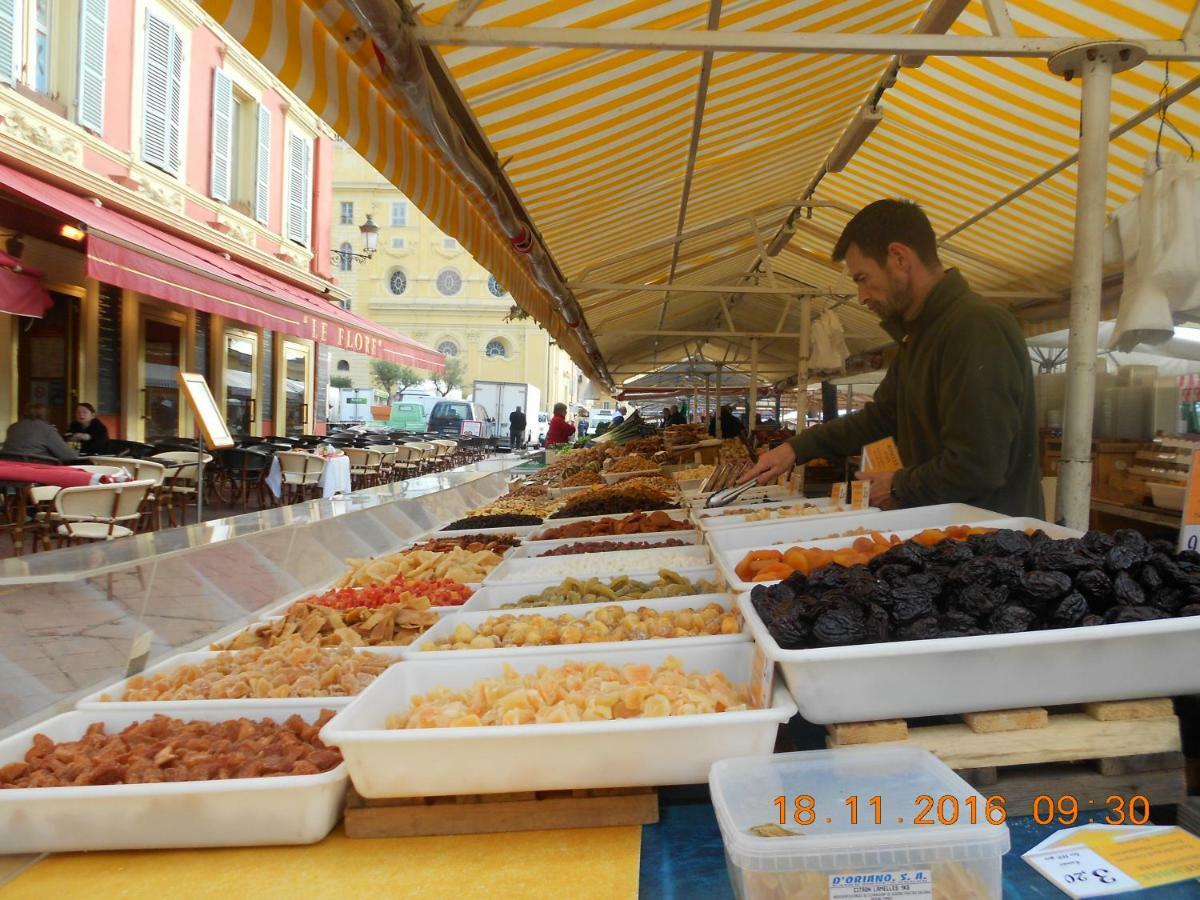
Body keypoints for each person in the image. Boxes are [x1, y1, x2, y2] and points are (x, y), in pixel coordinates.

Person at [740, 199, 1041, 518]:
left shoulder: (974, 327)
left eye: (862, 278)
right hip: (948, 538)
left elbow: (979, 465)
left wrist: (898, 485)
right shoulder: (920, 336)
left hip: (992, 549)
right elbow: (882, 417)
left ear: (899, 258)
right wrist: (796, 448)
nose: (862, 297)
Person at [3, 403, 79, 462]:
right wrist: (76, 449)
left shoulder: (12, 428)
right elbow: (69, 456)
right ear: (45, 414)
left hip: (11, 469)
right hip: (38, 469)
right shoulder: (47, 429)